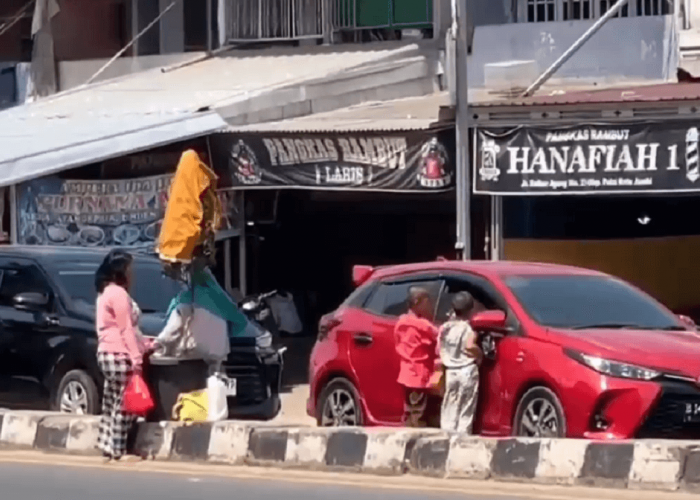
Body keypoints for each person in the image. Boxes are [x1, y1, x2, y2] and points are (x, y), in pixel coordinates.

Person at [94, 249, 154, 462]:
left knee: (111, 401)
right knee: (124, 404)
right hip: (119, 354)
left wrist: (146, 343)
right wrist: (137, 358)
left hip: (106, 353)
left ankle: (106, 445)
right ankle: (118, 449)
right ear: (121, 270)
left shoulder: (104, 293)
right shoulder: (118, 294)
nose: (132, 273)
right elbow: (126, 329)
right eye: (129, 268)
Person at [394, 286, 441, 427]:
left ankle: (407, 438)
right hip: (419, 375)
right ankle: (416, 442)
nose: (430, 305)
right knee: (418, 413)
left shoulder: (400, 322)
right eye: (428, 302)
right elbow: (438, 335)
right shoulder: (423, 325)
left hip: (405, 373)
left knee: (409, 411)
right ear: (417, 302)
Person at [438, 291, 483, 433]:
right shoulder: (467, 328)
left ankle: (447, 435)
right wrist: (479, 354)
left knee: (449, 405)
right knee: (466, 408)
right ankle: (462, 438)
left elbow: (440, 347)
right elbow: (469, 346)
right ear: (470, 310)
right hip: (467, 370)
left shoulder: (445, 328)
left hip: (451, 371)